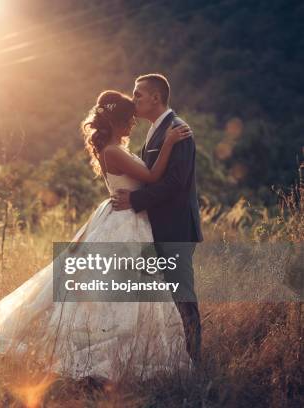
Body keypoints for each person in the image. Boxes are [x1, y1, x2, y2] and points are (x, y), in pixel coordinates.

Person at [0, 90, 194, 380]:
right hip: (124, 222)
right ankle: (102, 355)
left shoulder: (116, 148)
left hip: (127, 219)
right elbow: (151, 178)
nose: (132, 126)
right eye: (128, 121)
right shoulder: (113, 151)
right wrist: (168, 143)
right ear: (115, 122)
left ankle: (125, 354)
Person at [112, 73, 203, 365]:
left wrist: (135, 200)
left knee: (182, 295)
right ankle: (171, 358)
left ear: (156, 97)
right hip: (159, 226)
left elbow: (176, 182)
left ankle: (194, 361)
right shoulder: (157, 129)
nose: (134, 98)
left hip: (175, 227)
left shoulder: (179, 130)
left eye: (138, 94)